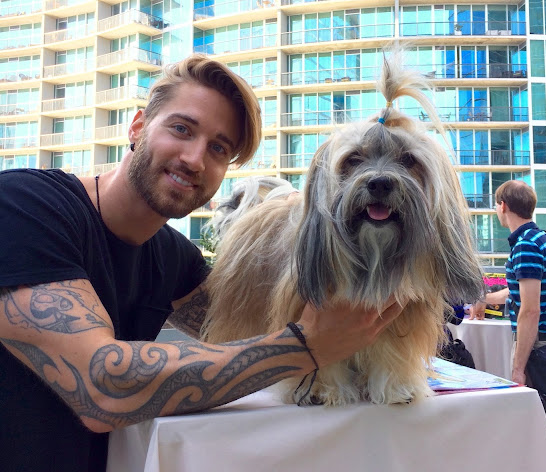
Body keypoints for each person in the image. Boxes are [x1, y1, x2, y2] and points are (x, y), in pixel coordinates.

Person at [0, 54, 403, 472]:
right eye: (181, 129)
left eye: (218, 148)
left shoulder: (174, 256)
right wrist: (303, 348)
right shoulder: (25, 207)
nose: (194, 159)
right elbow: (101, 387)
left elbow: (254, 321)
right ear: (138, 126)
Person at [470, 179, 546, 472]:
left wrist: (518, 368)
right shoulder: (544, 239)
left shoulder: (526, 247)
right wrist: (484, 298)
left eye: (495, 204)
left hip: (537, 346)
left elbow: (530, 310)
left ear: (502, 206)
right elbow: (518, 291)